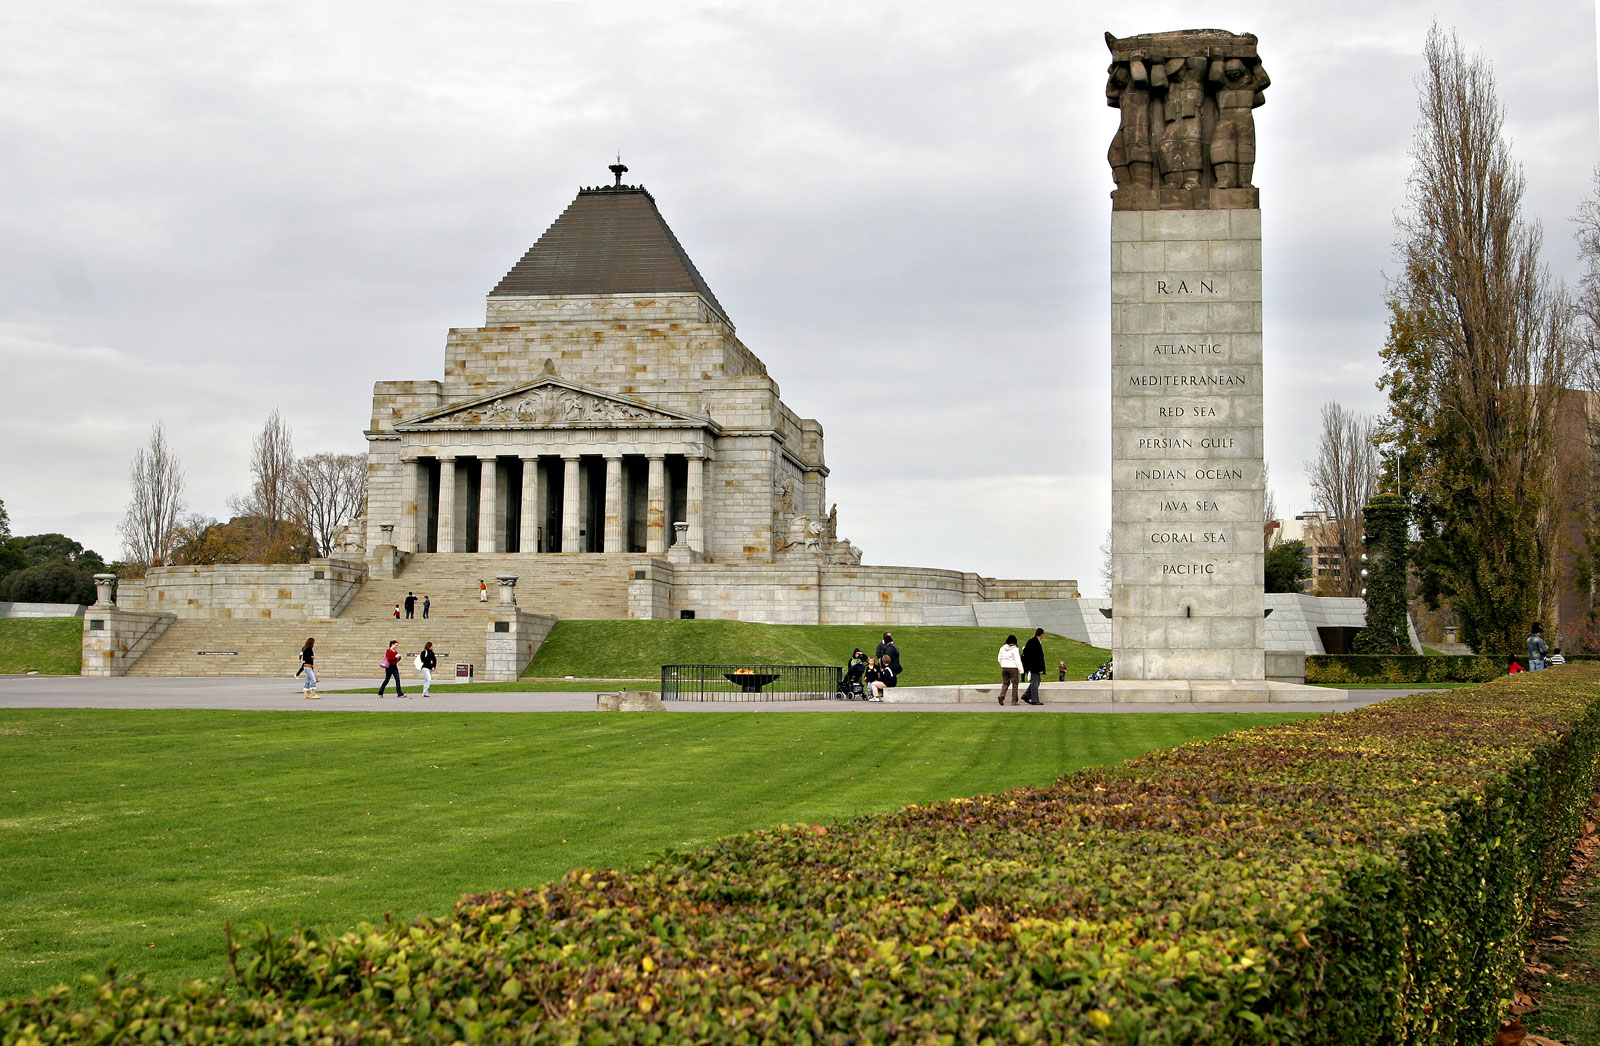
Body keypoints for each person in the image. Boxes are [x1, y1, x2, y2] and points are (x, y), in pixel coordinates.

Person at [1020, 627, 1046, 705]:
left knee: (1036, 681)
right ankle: (1034, 699)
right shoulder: (1035, 643)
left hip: (1032, 666)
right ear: (1041, 635)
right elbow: (1038, 657)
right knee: (1035, 682)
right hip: (1034, 666)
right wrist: (1040, 668)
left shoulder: (1031, 641)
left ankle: (1026, 695)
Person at [997, 635, 1023, 706]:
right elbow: (1017, 660)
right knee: (1015, 685)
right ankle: (1014, 701)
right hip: (1013, 668)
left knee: (1005, 683)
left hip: (1004, 668)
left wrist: (1003, 664)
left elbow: (999, 658)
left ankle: (1002, 696)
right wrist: (1021, 670)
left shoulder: (1002, 648)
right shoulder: (1015, 649)